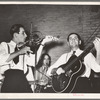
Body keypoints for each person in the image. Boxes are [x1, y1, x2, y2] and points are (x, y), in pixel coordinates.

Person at [0, 24, 56, 93]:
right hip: (9, 81)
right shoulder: (5, 45)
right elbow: (1, 59)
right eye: (23, 33)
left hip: (22, 81)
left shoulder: (23, 50)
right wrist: (19, 52)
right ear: (15, 35)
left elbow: (33, 62)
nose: (26, 36)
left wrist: (42, 43)